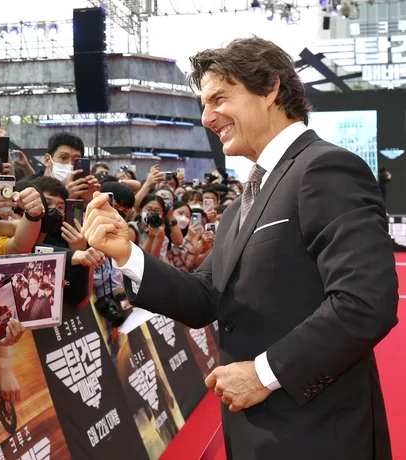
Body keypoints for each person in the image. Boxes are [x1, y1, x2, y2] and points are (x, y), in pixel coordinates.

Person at [83, 37, 398, 460]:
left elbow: (366, 301)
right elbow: (204, 298)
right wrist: (127, 254)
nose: (207, 117)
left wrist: (264, 374)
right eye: (203, 104)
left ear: (270, 89)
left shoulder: (323, 167)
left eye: (218, 98)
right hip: (257, 435)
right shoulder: (242, 204)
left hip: (318, 435)